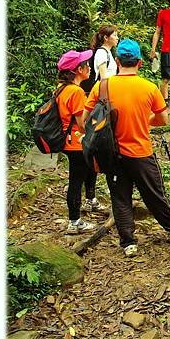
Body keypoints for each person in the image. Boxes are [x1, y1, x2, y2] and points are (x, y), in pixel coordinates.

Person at [83, 39, 170, 257]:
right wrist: (143, 119)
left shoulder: (102, 86)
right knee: (154, 193)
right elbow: (163, 119)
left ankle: (128, 243)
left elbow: (86, 119)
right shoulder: (149, 88)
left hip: (111, 155)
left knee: (120, 198)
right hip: (140, 152)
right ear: (140, 63)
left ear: (118, 61)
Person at [55, 50, 106, 234]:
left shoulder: (61, 88)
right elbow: (82, 124)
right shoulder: (75, 92)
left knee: (88, 171)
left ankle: (89, 200)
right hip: (77, 142)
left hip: (69, 141)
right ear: (78, 70)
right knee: (76, 180)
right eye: (85, 64)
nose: (89, 68)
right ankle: (74, 221)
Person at [81, 25, 119, 94]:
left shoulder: (108, 52)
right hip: (105, 92)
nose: (117, 38)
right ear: (106, 38)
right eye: (115, 35)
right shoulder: (102, 52)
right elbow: (103, 78)